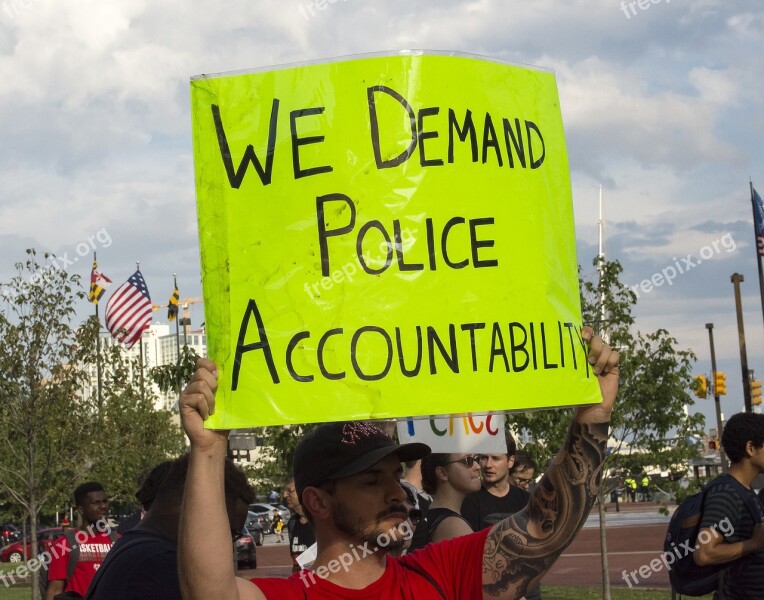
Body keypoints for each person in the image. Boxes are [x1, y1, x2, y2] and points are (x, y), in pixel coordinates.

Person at [178, 326, 618, 599]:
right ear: (318, 501)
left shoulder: (437, 575)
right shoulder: (293, 594)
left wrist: (593, 420)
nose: (396, 493)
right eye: (371, 481)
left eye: (394, 475)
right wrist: (208, 450)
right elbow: (208, 593)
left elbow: (543, 528)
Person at [86, 454, 255, 600]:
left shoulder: (139, 549)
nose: (230, 547)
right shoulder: (164, 565)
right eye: (230, 533)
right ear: (195, 510)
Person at [694, 412, 764, 599]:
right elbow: (704, 553)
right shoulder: (726, 493)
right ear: (750, 448)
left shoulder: (745, 491)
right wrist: (754, 543)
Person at [45, 482, 115, 600]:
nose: (103, 506)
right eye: (95, 503)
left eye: (105, 501)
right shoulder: (64, 545)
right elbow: (55, 590)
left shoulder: (118, 541)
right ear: (81, 510)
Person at [408, 452, 481, 551]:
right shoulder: (452, 526)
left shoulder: (436, 515)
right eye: (468, 461)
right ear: (442, 473)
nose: (478, 466)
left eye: (476, 459)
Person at [460, 432, 526, 532]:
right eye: (484, 458)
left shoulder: (526, 500)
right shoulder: (467, 500)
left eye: (495, 458)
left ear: (510, 461)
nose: (488, 465)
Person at [283, 477, 317, 572]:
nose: (285, 495)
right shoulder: (292, 522)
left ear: (302, 491)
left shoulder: (319, 521)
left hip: (319, 577)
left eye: (290, 491)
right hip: (301, 579)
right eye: (285, 491)